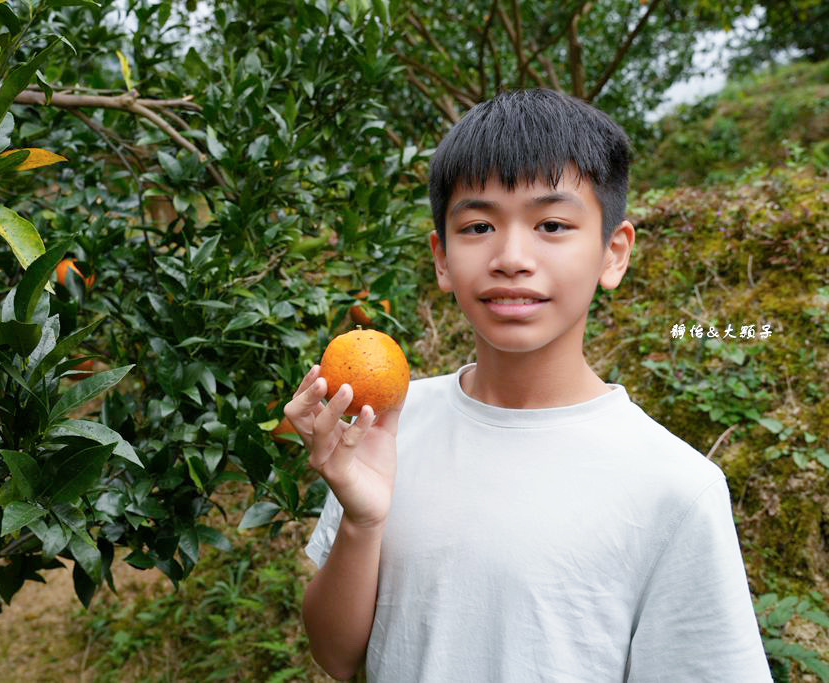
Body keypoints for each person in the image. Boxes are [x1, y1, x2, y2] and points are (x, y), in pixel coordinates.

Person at [285, 88, 773, 682]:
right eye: (480, 225)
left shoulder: (675, 489)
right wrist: (362, 524)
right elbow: (337, 658)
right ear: (441, 258)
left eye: (552, 224)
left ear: (613, 254)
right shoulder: (387, 425)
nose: (512, 257)